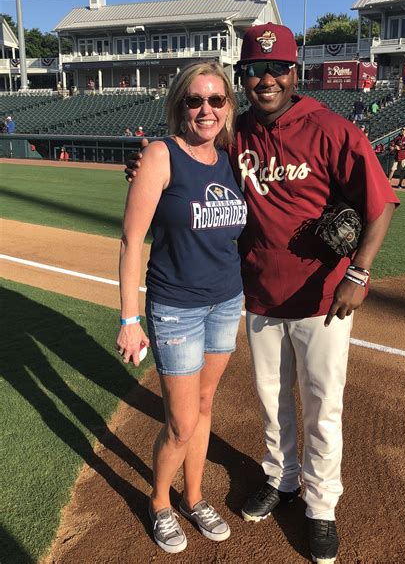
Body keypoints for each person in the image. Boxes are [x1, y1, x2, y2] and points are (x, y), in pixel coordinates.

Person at [127, 22, 398, 562]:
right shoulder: (237, 134)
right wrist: (143, 167)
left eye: (277, 68)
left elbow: (380, 203)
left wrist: (359, 272)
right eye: (255, 70)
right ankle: (282, 479)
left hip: (324, 299)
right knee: (272, 404)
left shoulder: (331, 128)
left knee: (322, 406)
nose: (267, 79)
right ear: (243, 79)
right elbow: (186, 164)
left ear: (295, 73)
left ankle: (321, 506)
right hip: (254, 297)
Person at [117, 61, 247, 554]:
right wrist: (130, 319)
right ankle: (159, 503)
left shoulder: (233, 159)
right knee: (181, 422)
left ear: (228, 107)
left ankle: (193, 498)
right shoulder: (161, 154)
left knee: (206, 405)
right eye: (195, 100)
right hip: (176, 307)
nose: (206, 109)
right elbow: (132, 241)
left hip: (225, 301)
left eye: (216, 100)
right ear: (179, 105)